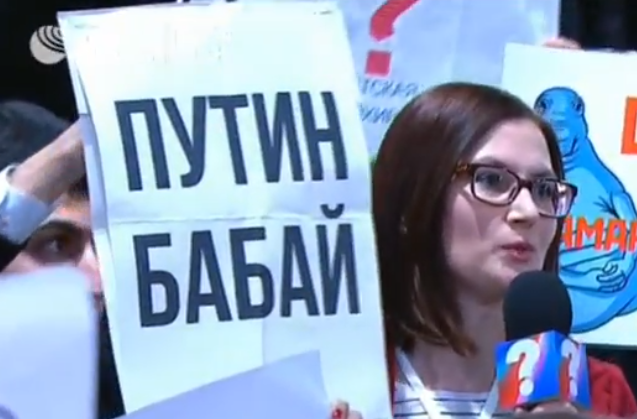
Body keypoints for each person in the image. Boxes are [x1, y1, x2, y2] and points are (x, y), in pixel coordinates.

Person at [371, 82, 637, 418]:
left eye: (544, 189)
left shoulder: (601, 396)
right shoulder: (338, 380)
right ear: (412, 201)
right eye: (492, 180)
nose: (528, 211)